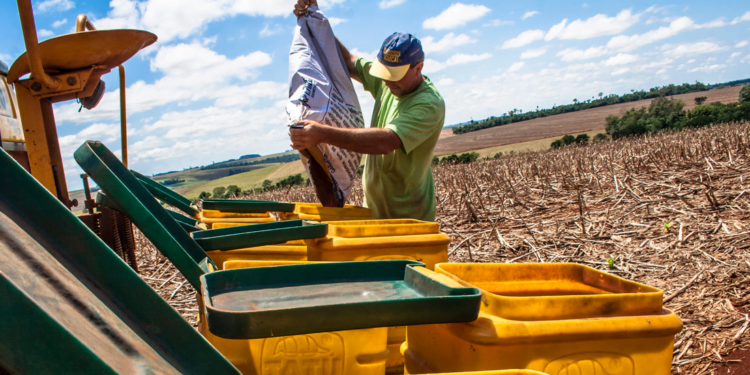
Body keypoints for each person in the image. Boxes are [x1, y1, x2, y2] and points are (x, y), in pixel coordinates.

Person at [290, 0, 445, 222]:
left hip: (409, 218)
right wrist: (314, 20)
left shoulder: (428, 104)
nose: (387, 82)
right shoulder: (387, 79)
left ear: (418, 68)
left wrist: (322, 133)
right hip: (375, 211)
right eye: (385, 73)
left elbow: (385, 142)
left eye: (395, 76)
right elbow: (347, 61)